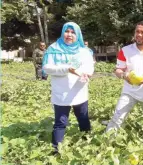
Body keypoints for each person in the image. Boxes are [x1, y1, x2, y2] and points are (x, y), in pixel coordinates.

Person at [105, 21, 143, 138]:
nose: (139, 34)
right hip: (129, 91)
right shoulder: (125, 50)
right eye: (137, 31)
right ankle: (107, 142)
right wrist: (124, 76)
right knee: (117, 117)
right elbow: (118, 70)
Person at [42, 22, 94, 154]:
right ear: (63, 32)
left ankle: (87, 143)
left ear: (78, 35)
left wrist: (87, 73)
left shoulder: (84, 51)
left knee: (83, 118)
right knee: (60, 122)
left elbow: (90, 67)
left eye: (73, 32)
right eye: (67, 31)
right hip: (61, 92)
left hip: (79, 91)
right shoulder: (54, 49)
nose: (69, 35)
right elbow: (47, 68)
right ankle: (56, 150)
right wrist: (67, 69)